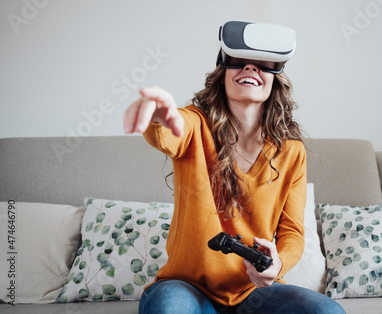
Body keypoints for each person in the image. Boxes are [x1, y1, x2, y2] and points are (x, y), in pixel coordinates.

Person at [123, 21, 345, 314]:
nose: (250, 69)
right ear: (222, 74)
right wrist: (160, 116)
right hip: (186, 287)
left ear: (275, 80)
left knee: (327, 312)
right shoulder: (195, 124)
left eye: (263, 65)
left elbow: (292, 232)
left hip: (254, 292)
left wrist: (278, 263)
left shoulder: (291, 152)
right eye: (238, 62)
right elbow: (169, 133)